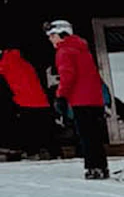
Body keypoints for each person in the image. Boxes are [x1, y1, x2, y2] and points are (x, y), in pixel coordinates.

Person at [48, 20, 110, 177]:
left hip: (80, 99)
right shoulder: (83, 49)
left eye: (52, 35)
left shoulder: (64, 51)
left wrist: (60, 96)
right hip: (95, 99)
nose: (50, 39)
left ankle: (93, 168)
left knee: (86, 136)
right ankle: (102, 166)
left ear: (62, 35)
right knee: (95, 135)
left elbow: (67, 76)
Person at [1, 45, 58, 157]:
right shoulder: (23, 62)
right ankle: (54, 152)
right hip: (41, 100)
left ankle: (33, 152)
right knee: (46, 129)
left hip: (25, 101)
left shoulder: (6, 63)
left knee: (28, 129)